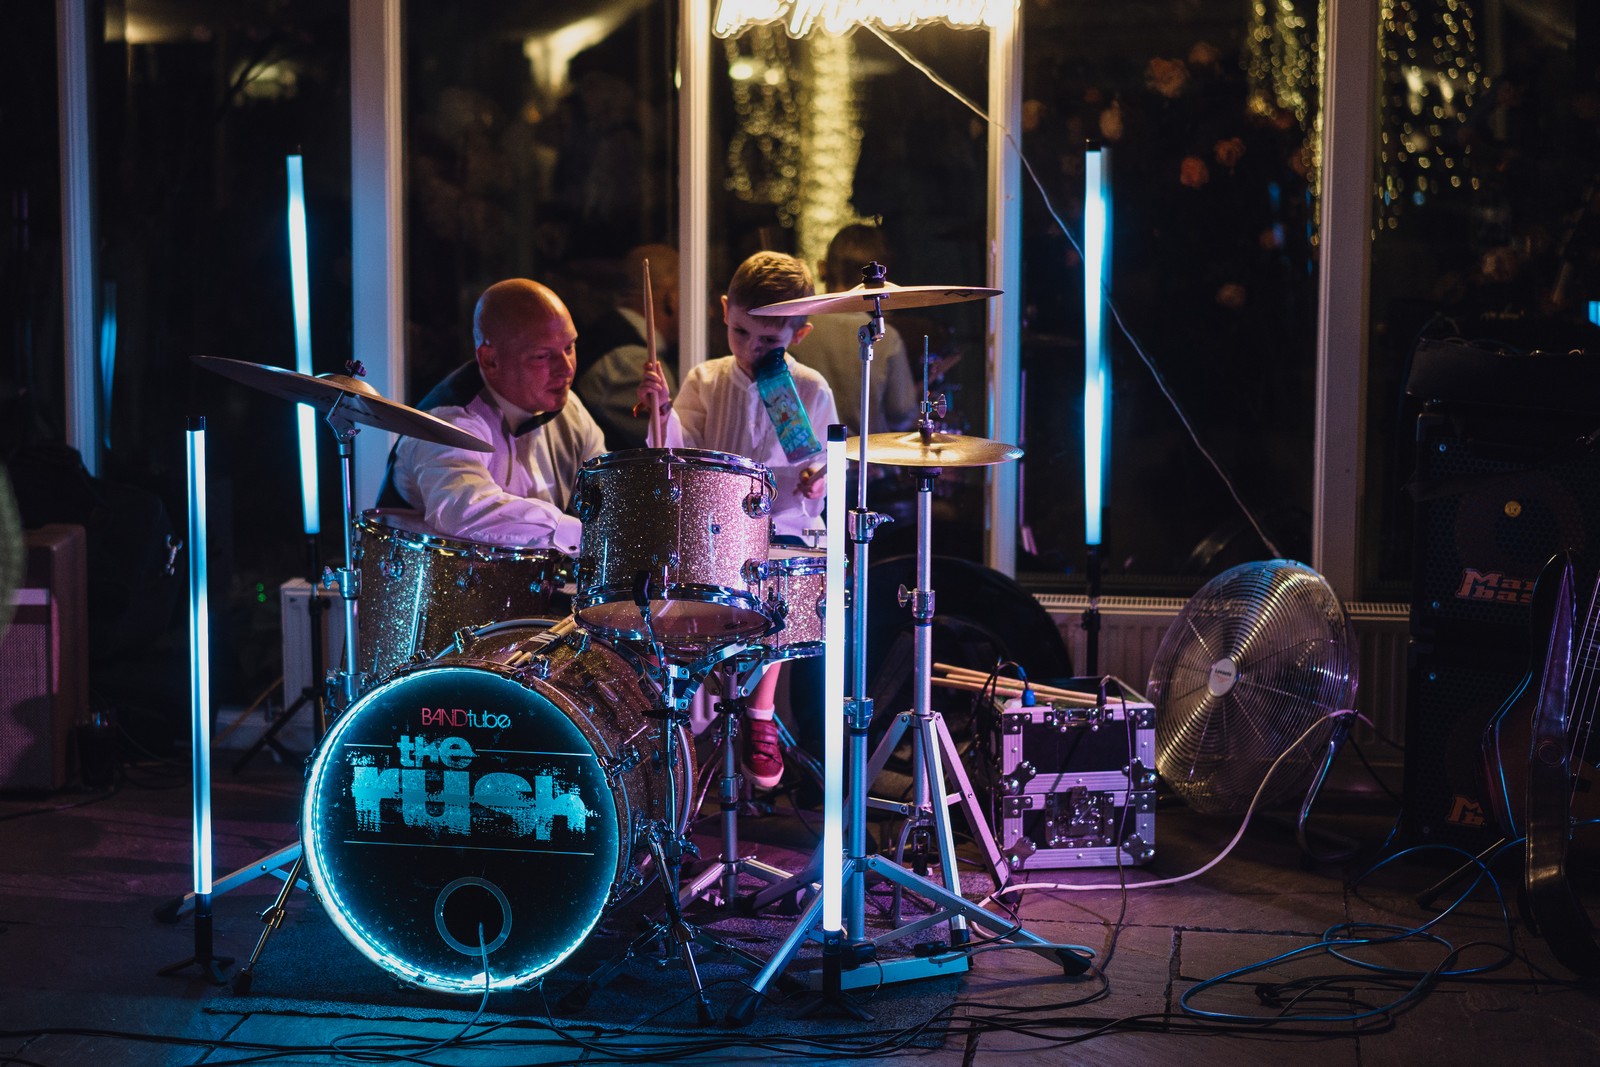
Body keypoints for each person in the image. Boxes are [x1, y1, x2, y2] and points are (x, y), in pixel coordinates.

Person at [637, 251, 838, 789]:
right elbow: (675, 453)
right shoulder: (706, 378)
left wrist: (819, 480)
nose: (751, 348)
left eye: (768, 341)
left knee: (781, 576)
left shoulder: (811, 389)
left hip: (784, 526)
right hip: (712, 527)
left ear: (799, 334)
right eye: (740, 331)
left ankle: (760, 710)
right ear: (725, 311)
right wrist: (662, 411)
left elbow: (824, 466)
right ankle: (677, 715)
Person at [389, 278, 606, 556]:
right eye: (542, 356)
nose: (566, 369)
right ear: (490, 360)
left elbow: (606, 491)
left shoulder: (571, 409)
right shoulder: (449, 421)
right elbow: (463, 510)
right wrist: (575, 533)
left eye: (569, 348)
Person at [791, 223, 918, 436]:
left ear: (822, 268)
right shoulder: (886, 338)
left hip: (807, 456)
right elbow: (901, 415)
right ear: (878, 282)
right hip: (871, 456)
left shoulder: (796, 329)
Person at [574, 244, 679, 451]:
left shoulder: (606, 337)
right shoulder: (632, 361)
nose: (709, 311)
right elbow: (673, 448)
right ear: (672, 299)